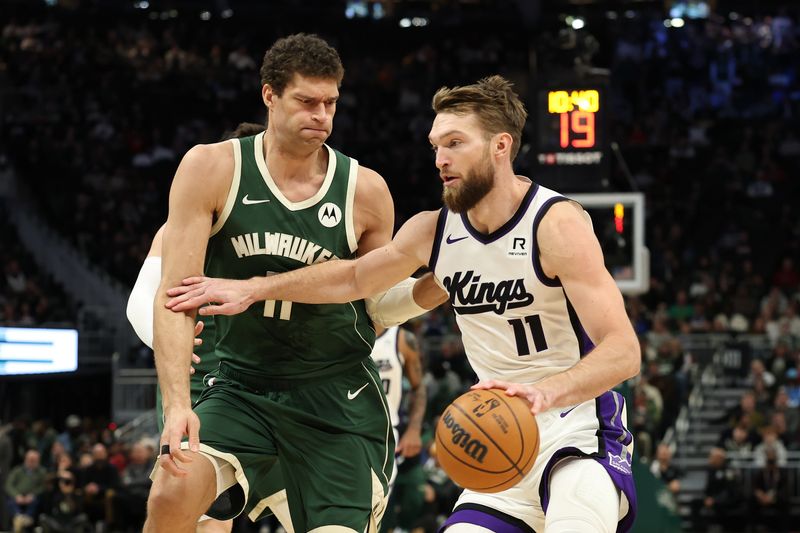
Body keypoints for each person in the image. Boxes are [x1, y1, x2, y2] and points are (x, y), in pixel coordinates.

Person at [166, 75, 641, 532]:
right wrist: (253, 288)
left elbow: (624, 351)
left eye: (455, 143)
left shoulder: (555, 224)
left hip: (578, 431)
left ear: (501, 146)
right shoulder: (434, 230)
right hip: (498, 436)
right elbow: (353, 277)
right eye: (435, 145)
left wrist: (547, 393)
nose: (440, 158)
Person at [146, 33, 444, 533]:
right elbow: (175, 297)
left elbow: (375, 303)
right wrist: (177, 405)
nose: (322, 116)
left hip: (335, 397)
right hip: (242, 387)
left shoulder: (366, 191)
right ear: (270, 95)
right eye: (306, 101)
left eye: (330, 103)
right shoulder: (211, 168)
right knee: (172, 486)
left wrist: (445, 282)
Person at [127, 122, 293, 533]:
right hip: (205, 385)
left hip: (278, 387)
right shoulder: (183, 224)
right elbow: (139, 306)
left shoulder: (294, 221)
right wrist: (171, 339)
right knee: (204, 517)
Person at [370, 325, 426, 531]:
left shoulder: (402, 339)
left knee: (374, 508)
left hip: (383, 434)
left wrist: (414, 429)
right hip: (340, 429)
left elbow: (418, 387)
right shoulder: (343, 327)